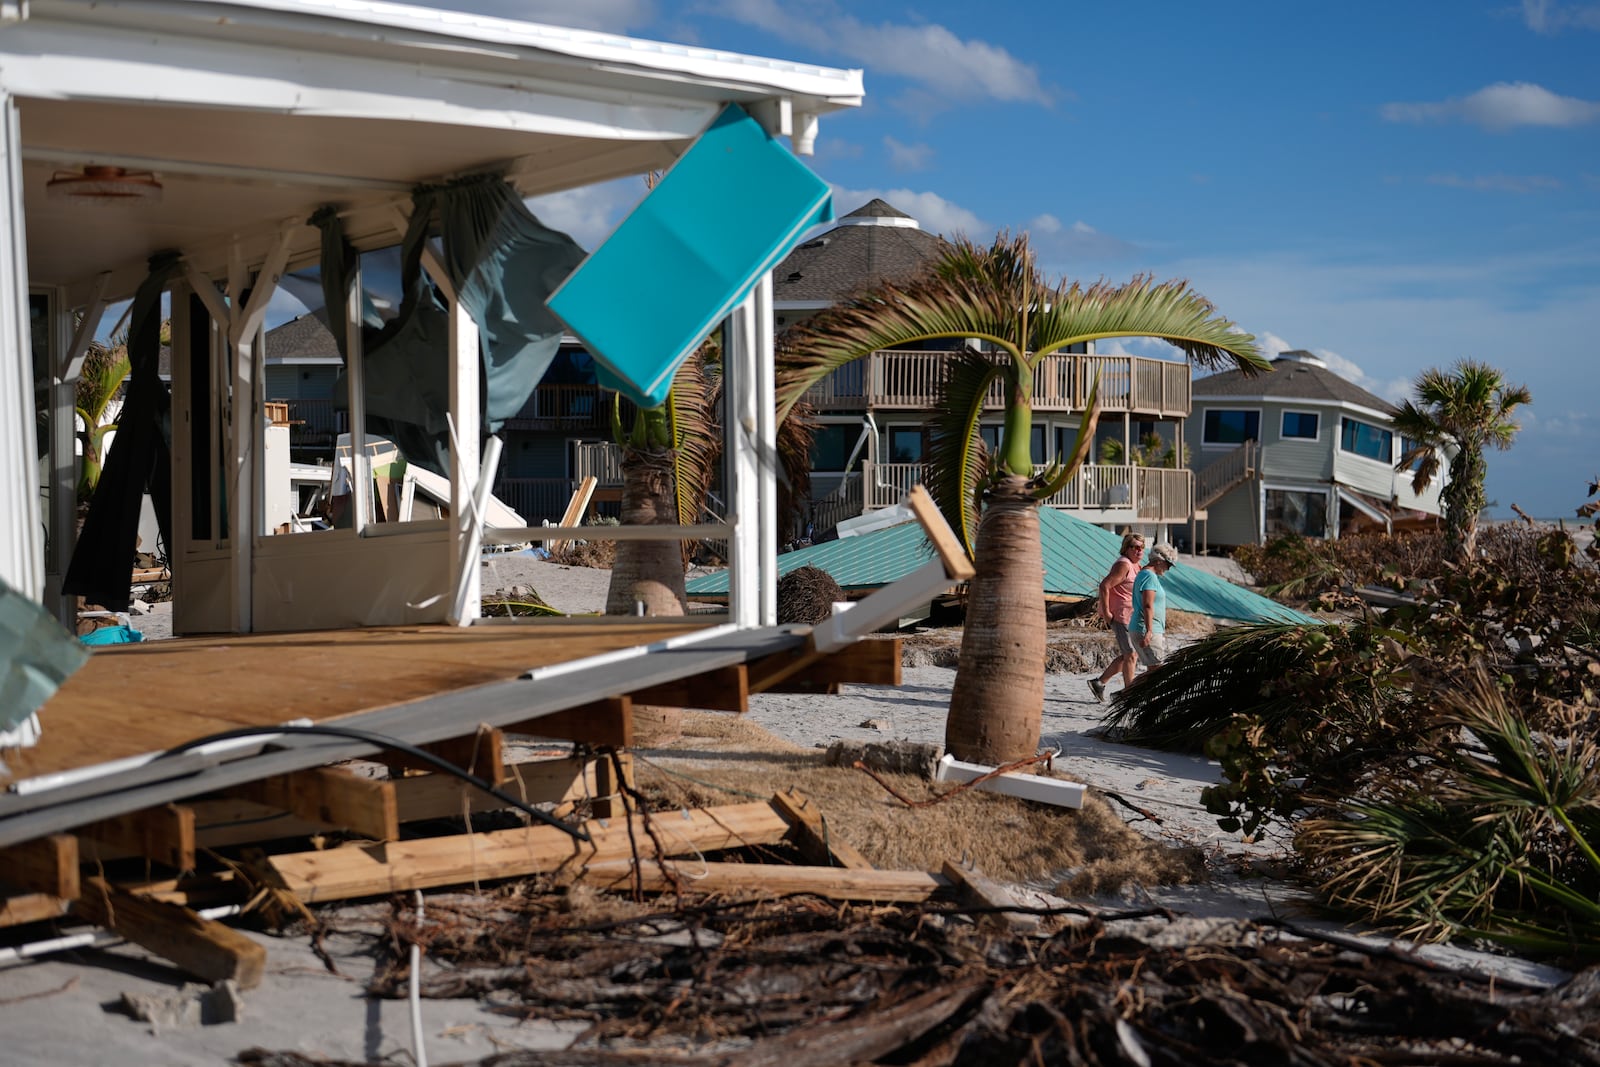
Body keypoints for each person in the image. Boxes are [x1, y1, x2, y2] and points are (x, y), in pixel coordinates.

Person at [1088, 532, 1144, 702]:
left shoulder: (1136, 565)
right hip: (1120, 615)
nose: (1139, 551)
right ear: (1126, 548)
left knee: (1131, 654)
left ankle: (1099, 682)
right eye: (1135, 547)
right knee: (1131, 655)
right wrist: (1106, 612)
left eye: (1142, 547)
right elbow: (1104, 585)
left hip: (1131, 616)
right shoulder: (1123, 565)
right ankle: (1129, 694)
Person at [1130, 541, 1178, 670]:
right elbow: (1147, 605)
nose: (1168, 568)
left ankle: (1126, 691)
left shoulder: (1144, 574)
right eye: (1168, 564)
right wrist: (1149, 631)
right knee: (1156, 670)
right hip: (1147, 629)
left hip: (1143, 628)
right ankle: (1126, 691)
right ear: (1158, 561)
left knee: (1153, 671)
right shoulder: (1149, 577)